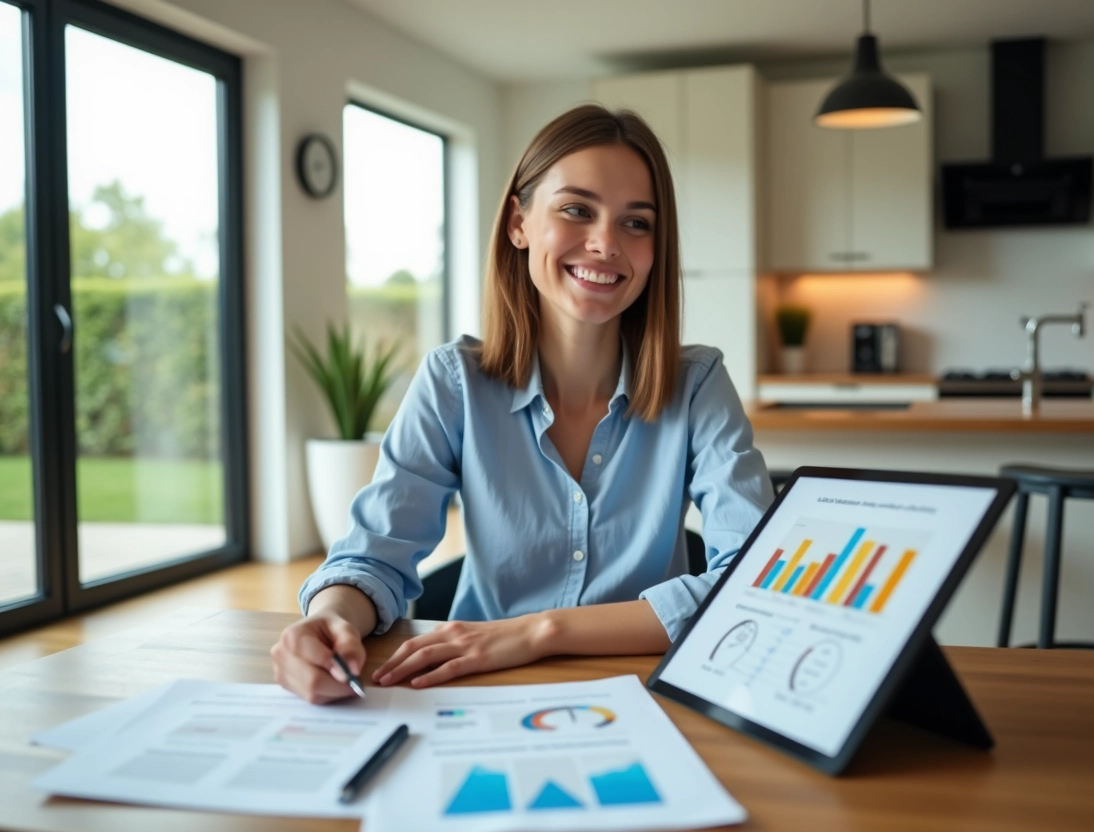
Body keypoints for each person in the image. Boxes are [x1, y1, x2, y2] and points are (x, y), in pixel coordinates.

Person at [272, 104, 773, 703]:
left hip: (644, 693)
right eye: (576, 210)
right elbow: (372, 556)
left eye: (636, 224)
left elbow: (754, 583)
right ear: (518, 223)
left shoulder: (696, 385)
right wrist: (330, 618)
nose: (605, 243)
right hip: (475, 690)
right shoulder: (453, 382)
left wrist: (539, 633)